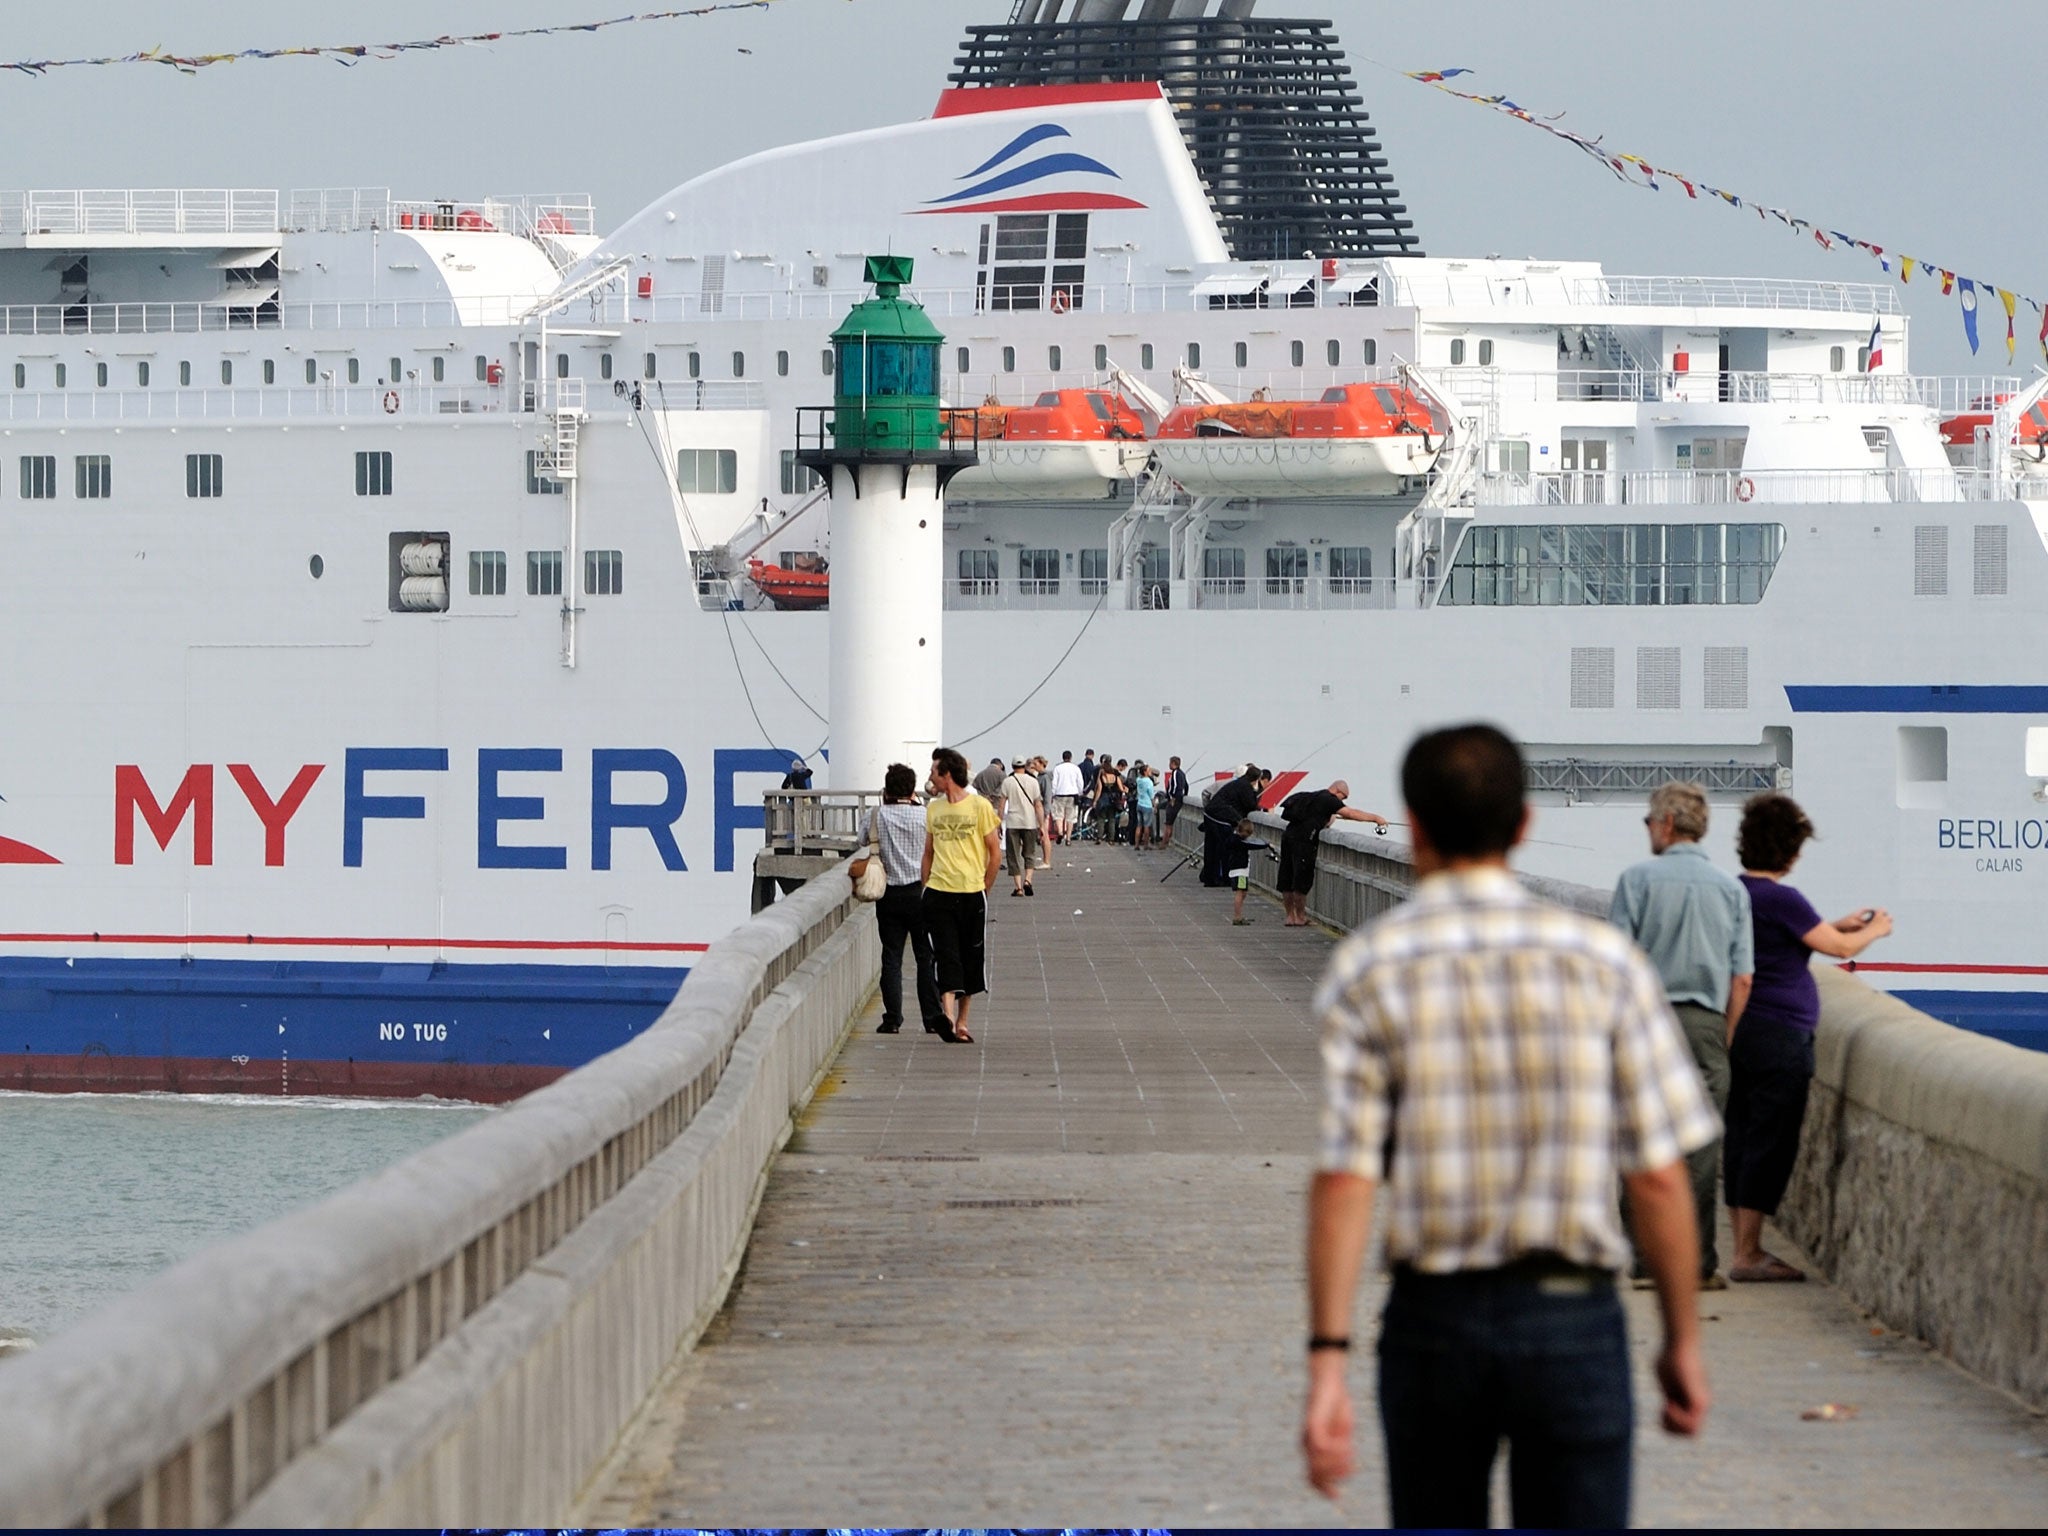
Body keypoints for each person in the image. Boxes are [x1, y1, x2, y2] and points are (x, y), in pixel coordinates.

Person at [1303, 724, 1718, 1528]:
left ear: (1415, 829)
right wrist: (1681, 1341)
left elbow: (1347, 1178)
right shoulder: (1604, 962)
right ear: (1523, 825)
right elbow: (1659, 1174)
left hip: (1433, 1324)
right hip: (1573, 1320)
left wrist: (1327, 1362)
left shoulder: (1371, 965)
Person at [1725, 792, 1891, 1283]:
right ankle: (1749, 1254)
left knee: (1741, 1133)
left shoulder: (1737, 893)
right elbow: (1839, 949)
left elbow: (1785, 939)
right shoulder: (1782, 897)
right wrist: (1874, 930)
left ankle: (1740, 1242)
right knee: (1771, 1141)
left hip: (1743, 1030)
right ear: (1790, 852)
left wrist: (1831, 924)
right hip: (1781, 1034)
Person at [1610, 781, 1754, 1289]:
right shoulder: (1731, 889)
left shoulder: (1636, 881)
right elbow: (1742, 978)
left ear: (1668, 823)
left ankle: (1647, 1262)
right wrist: (1724, 1035)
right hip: (1707, 1026)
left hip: (1648, 1027)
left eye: (1650, 821)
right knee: (1699, 1151)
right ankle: (1696, 1265)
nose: (1649, 830)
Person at [855, 764, 948, 1037]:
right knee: (925, 957)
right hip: (921, 892)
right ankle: (932, 1017)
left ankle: (893, 1019)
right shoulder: (926, 815)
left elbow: (862, 840)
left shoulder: (876, 815)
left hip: (889, 894)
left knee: (892, 957)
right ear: (912, 789)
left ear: (886, 789)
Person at [921, 747, 1002, 1044]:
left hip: (970, 892)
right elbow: (928, 852)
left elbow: (994, 852)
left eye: (933, 772)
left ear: (947, 775)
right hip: (939, 891)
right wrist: (925, 887)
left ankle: (963, 1020)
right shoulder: (934, 809)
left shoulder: (979, 806)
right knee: (945, 954)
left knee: (970, 956)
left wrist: (985, 887)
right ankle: (948, 1017)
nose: (930, 776)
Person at [1276, 780, 1390, 926]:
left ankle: (1290, 917)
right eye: (1343, 797)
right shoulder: (1329, 800)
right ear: (1337, 791)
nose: (1342, 801)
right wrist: (1376, 818)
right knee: (1301, 880)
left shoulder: (1314, 796)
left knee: (1287, 878)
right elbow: (1350, 813)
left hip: (1288, 836)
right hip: (1304, 841)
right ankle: (1300, 917)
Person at [1201, 764, 1269, 885]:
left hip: (1210, 814)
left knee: (1211, 848)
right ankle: (1227, 880)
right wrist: (1258, 790)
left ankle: (1210, 878)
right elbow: (1251, 805)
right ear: (1256, 779)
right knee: (1223, 849)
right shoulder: (1246, 788)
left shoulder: (1239, 783)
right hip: (1221, 818)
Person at [1001, 756, 1044, 897]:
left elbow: (1001, 805)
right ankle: (1028, 880)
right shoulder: (1033, 781)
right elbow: (1038, 805)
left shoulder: (1007, 782)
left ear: (1012, 766)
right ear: (1025, 766)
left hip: (1013, 822)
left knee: (1013, 855)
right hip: (1029, 822)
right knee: (1029, 853)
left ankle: (1018, 887)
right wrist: (1042, 825)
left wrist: (998, 823)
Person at [1227, 817, 1266, 924]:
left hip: (1237, 870)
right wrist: (1266, 845)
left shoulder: (1233, 838)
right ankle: (1237, 917)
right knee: (1240, 892)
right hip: (1240, 871)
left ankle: (1238, 915)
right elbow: (1252, 845)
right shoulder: (1239, 841)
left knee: (1243, 892)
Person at [1047, 750, 1084, 843]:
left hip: (1059, 793)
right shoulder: (1076, 768)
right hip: (1072, 794)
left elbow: (1054, 782)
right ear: (1071, 758)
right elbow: (1080, 782)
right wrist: (1080, 792)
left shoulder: (1057, 768)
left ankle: (1060, 832)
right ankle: (1068, 837)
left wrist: (1053, 793)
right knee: (1070, 817)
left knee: (1059, 815)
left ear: (1062, 757)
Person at [1159, 756, 1189, 845]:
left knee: (1168, 823)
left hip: (1174, 800)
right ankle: (1167, 842)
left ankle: (1164, 843)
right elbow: (1186, 786)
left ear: (1173, 764)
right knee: (1170, 823)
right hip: (1179, 799)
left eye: (1170, 763)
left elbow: (1175, 786)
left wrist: (1172, 797)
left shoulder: (1175, 773)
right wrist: (1185, 795)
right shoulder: (1182, 773)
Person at [1131, 763, 1156, 849]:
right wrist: (1154, 805)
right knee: (1146, 826)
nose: (1150, 772)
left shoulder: (1138, 780)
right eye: (1149, 770)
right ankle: (1146, 844)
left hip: (1139, 804)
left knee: (1139, 825)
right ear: (1145, 772)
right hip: (1147, 805)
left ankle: (1136, 844)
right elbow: (1152, 796)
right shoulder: (1149, 782)